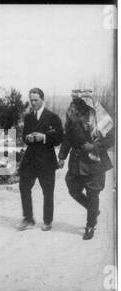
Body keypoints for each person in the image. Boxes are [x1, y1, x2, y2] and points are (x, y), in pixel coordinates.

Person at [58, 93, 114, 240]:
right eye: (71, 110)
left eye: (75, 111)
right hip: (77, 163)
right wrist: (62, 156)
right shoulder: (71, 122)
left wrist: (95, 147)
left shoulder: (98, 120)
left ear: (83, 111)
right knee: (72, 188)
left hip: (95, 163)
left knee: (93, 193)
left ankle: (90, 225)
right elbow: (67, 139)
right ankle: (93, 210)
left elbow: (112, 138)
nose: (71, 113)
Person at [18, 88, 63, 231]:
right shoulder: (28, 117)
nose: (33, 103)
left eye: (36, 100)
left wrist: (43, 137)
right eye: (31, 100)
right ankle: (28, 218)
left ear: (43, 100)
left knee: (47, 191)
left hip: (46, 161)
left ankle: (47, 221)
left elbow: (59, 138)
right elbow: (24, 135)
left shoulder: (53, 117)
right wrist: (28, 138)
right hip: (30, 159)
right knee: (24, 186)